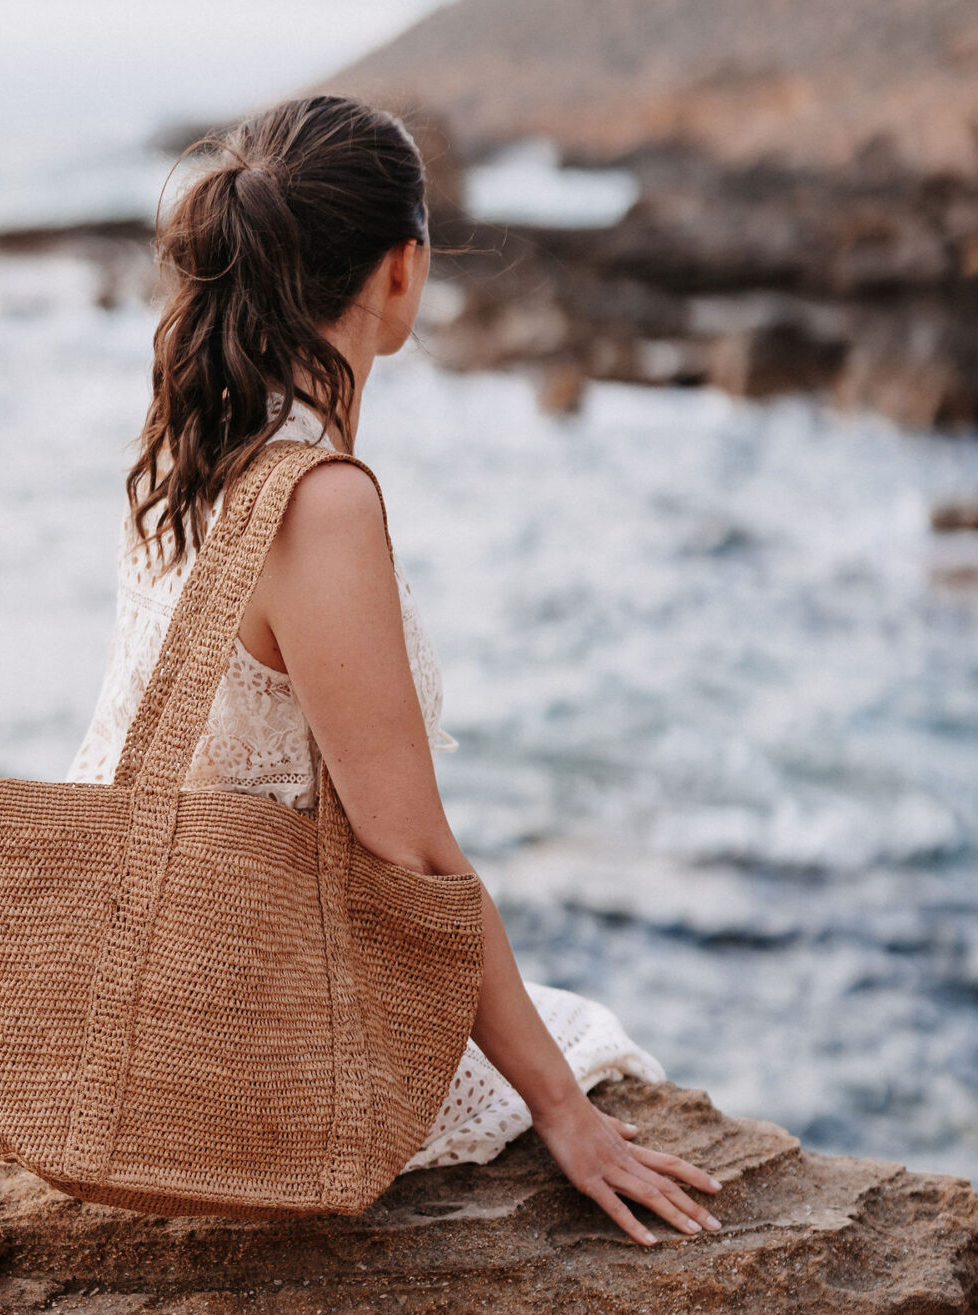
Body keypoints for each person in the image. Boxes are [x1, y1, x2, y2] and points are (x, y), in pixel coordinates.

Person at [68, 94, 721, 1246]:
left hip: (126, 989)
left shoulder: (189, 448)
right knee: (598, 1047)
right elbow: (409, 851)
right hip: (245, 1033)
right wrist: (563, 1113)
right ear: (402, 269)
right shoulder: (318, 499)